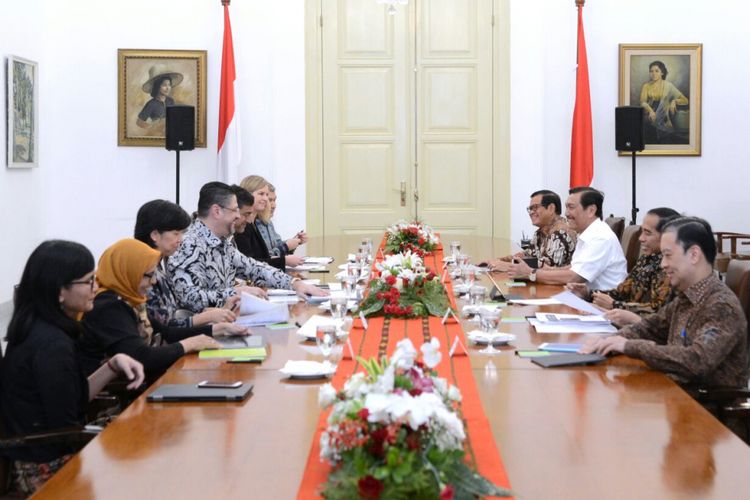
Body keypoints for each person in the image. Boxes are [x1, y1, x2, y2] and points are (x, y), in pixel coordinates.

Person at [0, 240, 144, 496]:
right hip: (43, 467)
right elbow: (67, 425)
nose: (96, 288)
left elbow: (72, 400)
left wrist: (112, 365)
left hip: (50, 448)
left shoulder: (41, 329)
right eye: (89, 281)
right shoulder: (50, 345)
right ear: (60, 291)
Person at [582, 217, 749, 389]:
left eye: (668, 256)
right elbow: (648, 328)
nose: (663, 264)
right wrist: (610, 341)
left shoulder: (721, 305)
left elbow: (697, 360)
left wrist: (629, 346)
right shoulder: (685, 297)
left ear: (694, 255)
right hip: (677, 391)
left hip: (707, 406)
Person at [168, 181, 327, 313]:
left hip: (226, 322)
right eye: (234, 210)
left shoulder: (221, 242)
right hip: (204, 334)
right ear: (217, 211)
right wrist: (236, 293)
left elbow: (253, 267)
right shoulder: (188, 244)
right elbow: (191, 299)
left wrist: (295, 284)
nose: (238, 216)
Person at [80, 239, 221, 379]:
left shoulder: (128, 299)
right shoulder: (108, 308)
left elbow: (167, 333)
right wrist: (187, 345)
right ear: (129, 271)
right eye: (149, 275)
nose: (153, 282)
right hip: (123, 394)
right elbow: (141, 357)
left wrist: (218, 330)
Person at [133, 199, 245, 331]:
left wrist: (219, 311)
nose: (180, 240)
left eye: (182, 233)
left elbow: (175, 312)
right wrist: (207, 317)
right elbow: (163, 328)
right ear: (155, 235)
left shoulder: (159, 267)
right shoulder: (143, 273)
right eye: (176, 233)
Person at [568, 207, 680, 326]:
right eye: (642, 232)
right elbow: (622, 292)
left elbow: (658, 311)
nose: (641, 238)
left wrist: (614, 305)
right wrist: (589, 293)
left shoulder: (671, 267)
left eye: (648, 233)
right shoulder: (647, 259)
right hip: (628, 324)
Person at [508, 187, 627, 290]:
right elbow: (572, 268)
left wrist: (530, 273)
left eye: (571, 207)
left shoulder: (600, 237)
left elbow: (574, 277)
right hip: (586, 299)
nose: (566, 213)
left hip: (602, 308)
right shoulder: (588, 234)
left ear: (591, 211)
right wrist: (545, 270)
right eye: (566, 207)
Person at [482, 189, 576, 271]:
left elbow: (549, 267)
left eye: (535, 207)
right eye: (530, 209)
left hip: (559, 288)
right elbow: (527, 255)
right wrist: (498, 261)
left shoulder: (560, 232)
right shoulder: (540, 232)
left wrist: (507, 266)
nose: (531, 212)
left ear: (551, 208)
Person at [230, 185, 286, 270]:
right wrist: (284, 259)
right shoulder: (243, 227)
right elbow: (249, 265)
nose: (266, 199)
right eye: (261, 194)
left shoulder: (254, 223)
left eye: (267, 195)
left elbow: (250, 265)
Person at [255, 181, 306, 268]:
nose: (274, 205)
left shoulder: (268, 223)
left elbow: (278, 248)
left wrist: (295, 241)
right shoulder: (252, 225)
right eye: (270, 200)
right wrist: (286, 246)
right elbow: (267, 257)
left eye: (274, 200)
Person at [639, 60, 689, 144]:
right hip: (649, 119)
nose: (653, 73)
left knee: (667, 139)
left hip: (664, 121)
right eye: (651, 71)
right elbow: (642, 102)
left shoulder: (668, 85)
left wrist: (674, 101)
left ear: (662, 73)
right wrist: (651, 111)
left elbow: (685, 100)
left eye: (656, 71)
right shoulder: (646, 86)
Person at [135, 65, 183, 130]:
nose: (167, 88)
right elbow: (139, 122)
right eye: (164, 85)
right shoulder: (151, 104)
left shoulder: (170, 101)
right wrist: (152, 128)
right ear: (157, 87)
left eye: (169, 85)